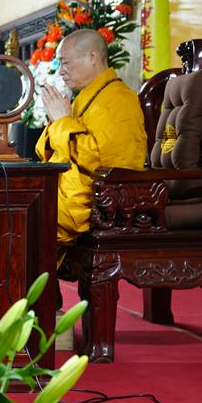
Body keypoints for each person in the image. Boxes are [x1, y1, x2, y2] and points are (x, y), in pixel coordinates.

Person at [36, 28, 148, 246]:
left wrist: (62, 122)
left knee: (20, 216)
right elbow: (47, 151)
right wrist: (57, 122)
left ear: (92, 56)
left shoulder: (119, 100)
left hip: (93, 198)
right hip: (65, 187)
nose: (61, 71)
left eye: (65, 63)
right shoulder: (86, 96)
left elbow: (100, 163)